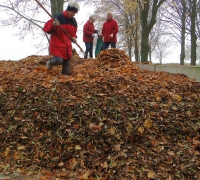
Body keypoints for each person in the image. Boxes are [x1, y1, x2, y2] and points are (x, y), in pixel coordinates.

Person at [43, 0, 80, 75]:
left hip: (67, 46)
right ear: (68, 10)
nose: (74, 14)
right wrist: (53, 24)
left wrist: (74, 38)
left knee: (66, 65)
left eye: (75, 13)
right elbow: (46, 28)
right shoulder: (58, 17)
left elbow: (73, 33)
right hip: (57, 44)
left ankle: (64, 80)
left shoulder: (73, 21)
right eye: (73, 12)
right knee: (58, 60)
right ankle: (49, 62)